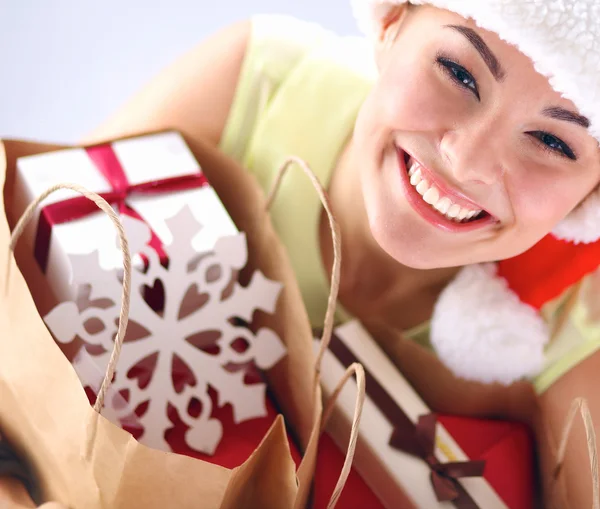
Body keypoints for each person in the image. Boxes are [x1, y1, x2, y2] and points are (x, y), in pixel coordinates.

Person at [81, 0, 600, 506]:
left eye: (555, 143)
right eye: (458, 73)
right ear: (393, 21)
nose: (467, 161)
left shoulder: (573, 323)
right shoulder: (260, 84)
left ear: (589, 197)